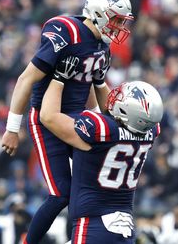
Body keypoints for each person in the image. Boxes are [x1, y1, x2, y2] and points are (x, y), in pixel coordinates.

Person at [0, 0, 134, 244]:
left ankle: (80, 238)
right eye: (116, 19)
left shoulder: (101, 46)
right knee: (61, 193)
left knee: (87, 190)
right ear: (97, 13)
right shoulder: (67, 32)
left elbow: (95, 86)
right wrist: (12, 127)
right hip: (46, 119)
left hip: (77, 119)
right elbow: (26, 78)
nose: (119, 27)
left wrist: (109, 121)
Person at [40, 76, 163, 243]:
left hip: (94, 225)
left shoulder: (102, 130)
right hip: (125, 227)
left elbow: (48, 116)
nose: (115, 96)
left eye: (122, 97)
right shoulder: (149, 133)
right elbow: (114, 116)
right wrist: (98, 81)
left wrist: (58, 79)